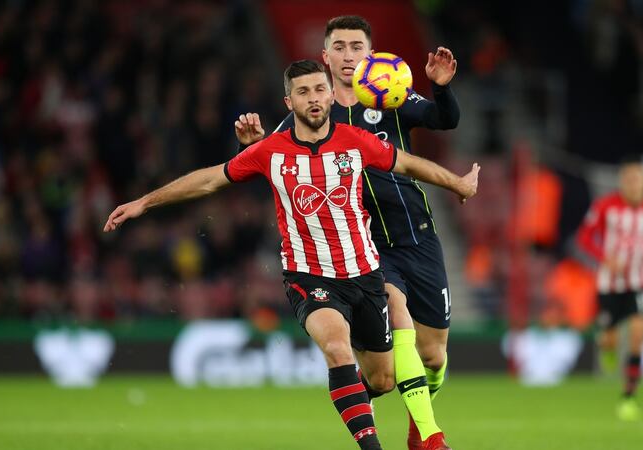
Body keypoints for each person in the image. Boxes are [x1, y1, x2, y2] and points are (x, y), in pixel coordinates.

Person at [104, 60, 477, 450]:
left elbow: (407, 163)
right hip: (310, 277)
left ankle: (349, 396)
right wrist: (145, 202)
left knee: (383, 379)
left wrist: (457, 184)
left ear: (332, 95)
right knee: (336, 346)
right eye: (303, 92)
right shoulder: (270, 151)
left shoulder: (355, 141)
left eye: (319, 90)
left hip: (365, 274)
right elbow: (211, 179)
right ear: (289, 101)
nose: (313, 99)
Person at [234, 16, 459, 448]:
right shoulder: (311, 112)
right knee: (397, 309)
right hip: (363, 243)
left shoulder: (388, 94)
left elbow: (442, 119)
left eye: (357, 46)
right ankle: (429, 436)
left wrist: (442, 87)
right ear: (326, 56)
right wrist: (250, 145)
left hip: (416, 233)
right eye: (339, 47)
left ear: (369, 54)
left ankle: (401, 412)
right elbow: (266, 160)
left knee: (433, 356)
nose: (348, 55)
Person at [576, 154, 643, 421]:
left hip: (642, 282)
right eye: (628, 179)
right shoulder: (606, 206)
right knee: (610, 339)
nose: (633, 184)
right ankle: (607, 346)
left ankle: (628, 398)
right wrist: (605, 257)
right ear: (621, 181)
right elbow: (585, 236)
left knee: (638, 335)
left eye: (638, 178)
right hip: (610, 284)